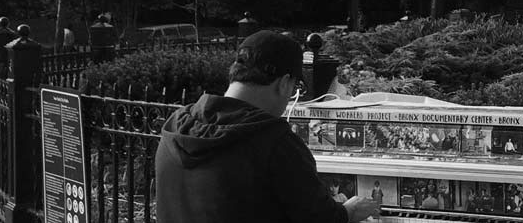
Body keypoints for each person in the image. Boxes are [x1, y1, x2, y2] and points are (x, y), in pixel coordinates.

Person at [154, 30, 379, 223]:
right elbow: (319, 218)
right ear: (283, 84)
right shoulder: (274, 141)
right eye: (293, 88)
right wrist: (348, 212)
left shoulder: (175, 124)